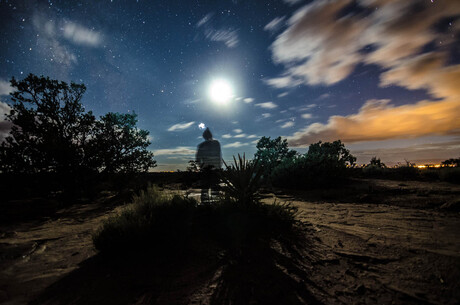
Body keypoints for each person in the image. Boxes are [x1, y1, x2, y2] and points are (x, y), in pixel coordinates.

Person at [196, 127, 222, 203]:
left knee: (206, 188)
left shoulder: (201, 145)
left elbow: (198, 158)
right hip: (213, 169)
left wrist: (201, 166)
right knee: (213, 188)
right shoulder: (216, 143)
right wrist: (218, 167)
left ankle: (206, 206)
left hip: (207, 169)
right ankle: (214, 205)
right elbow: (219, 156)